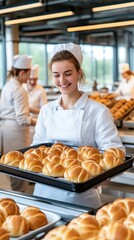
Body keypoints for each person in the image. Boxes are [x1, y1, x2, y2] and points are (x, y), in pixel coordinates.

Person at [32, 43, 125, 208]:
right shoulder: (47, 110)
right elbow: (36, 149)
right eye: (56, 75)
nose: (62, 81)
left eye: (68, 74)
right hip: (44, 192)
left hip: (81, 196)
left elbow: (115, 152)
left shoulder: (98, 111)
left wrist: (96, 179)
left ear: (79, 73)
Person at [0, 54, 36, 192]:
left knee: (11, 168)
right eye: (28, 74)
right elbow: (22, 118)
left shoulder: (7, 85)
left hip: (6, 130)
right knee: (19, 171)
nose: (28, 78)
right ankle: (19, 201)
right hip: (15, 133)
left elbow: (13, 108)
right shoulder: (20, 90)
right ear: (22, 73)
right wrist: (38, 122)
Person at [23, 64, 47, 142]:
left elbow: (45, 110)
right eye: (30, 79)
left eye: (35, 79)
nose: (32, 82)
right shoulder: (22, 87)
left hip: (35, 123)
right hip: (23, 123)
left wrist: (30, 109)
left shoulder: (41, 90)